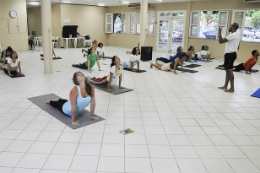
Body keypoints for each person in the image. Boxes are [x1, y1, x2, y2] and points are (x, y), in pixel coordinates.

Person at [218, 23, 240, 93]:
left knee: (230, 71)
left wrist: (219, 32)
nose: (229, 27)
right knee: (227, 70)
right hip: (231, 54)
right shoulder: (237, 35)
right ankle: (225, 85)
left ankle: (232, 88)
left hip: (230, 55)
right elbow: (238, 47)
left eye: (230, 26)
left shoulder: (232, 35)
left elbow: (220, 41)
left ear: (233, 27)